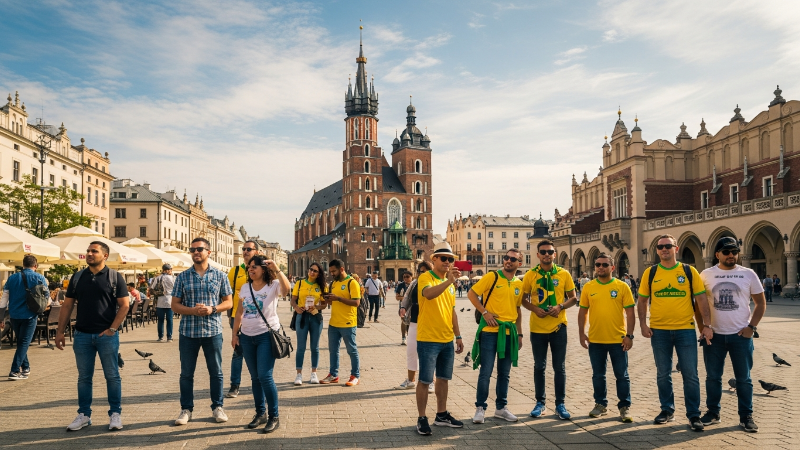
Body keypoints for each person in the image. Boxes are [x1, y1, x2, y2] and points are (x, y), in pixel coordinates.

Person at [638, 234, 712, 431]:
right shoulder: (650, 273)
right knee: (663, 374)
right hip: (659, 330)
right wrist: (643, 325)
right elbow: (643, 300)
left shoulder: (689, 271)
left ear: (676, 249)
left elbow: (701, 299)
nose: (664, 249)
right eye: (661, 247)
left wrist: (707, 325)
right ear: (657, 251)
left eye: (668, 246)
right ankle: (667, 410)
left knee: (690, 374)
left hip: (685, 329)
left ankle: (694, 415)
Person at [55, 242, 129, 431]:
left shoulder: (115, 277)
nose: (89, 254)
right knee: (84, 377)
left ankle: (115, 414)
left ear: (105, 255)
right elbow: (67, 305)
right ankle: (84, 415)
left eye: (94, 251)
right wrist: (60, 331)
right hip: (82, 335)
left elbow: (125, 305)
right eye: (88, 251)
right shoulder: (78, 277)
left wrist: (112, 329)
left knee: (112, 376)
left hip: (107, 336)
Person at [698, 237, 767, 433]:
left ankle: (746, 416)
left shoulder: (748, 274)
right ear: (717, 254)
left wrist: (751, 328)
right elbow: (698, 305)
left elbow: (761, 304)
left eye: (734, 251)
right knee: (713, 377)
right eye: (726, 251)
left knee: (744, 379)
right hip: (715, 336)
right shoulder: (706, 274)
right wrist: (704, 327)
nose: (731, 255)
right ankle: (713, 413)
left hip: (740, 336)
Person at [171, 237, 234, 426]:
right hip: (188, 332)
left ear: (209, 252)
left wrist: (212, 309)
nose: (195, 252)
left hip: (212, 331)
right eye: (192, 250)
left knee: (216, 372)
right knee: (186, 373)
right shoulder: (182, 277)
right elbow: (174, 305)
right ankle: (186, 409)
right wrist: (193, 311)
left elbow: (229, 302)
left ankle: (217, 407)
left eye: (199, 249)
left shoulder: (220, 276)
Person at [231, 256, 290, 433]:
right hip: (247, 337)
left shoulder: (272, 286)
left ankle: (274, 416)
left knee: (265, 376)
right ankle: (260, 413)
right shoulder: (245, 287)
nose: (250, 269)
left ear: (264, 269)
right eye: (249, 267)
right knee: (255, 378)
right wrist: (235, 334)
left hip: (266, 336)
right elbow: (240, 312)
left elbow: (287, 291)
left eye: (254, 266)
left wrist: (278, 269)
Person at [521, 239, 577, 420]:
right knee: (539, 366)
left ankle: (560, 404)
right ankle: (540, 402)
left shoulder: (563, 274)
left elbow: (573, 298)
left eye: (549, 252)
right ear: (537, 255)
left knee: (559, 367)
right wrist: (534, 309)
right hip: (537, 328)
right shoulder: (530, 275)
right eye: (543, 252)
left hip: (558, 327)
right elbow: (522, 299)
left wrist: (560, 307)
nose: (546, 255)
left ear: (554, 254)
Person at [468, 248, 524, 424]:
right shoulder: (492, 277)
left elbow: (517, 310)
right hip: (490, 332)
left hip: (509, 333)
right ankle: (480, 408)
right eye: (506, 258)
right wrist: (484, 312)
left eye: (512, 259)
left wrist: (520, 333)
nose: (508, 261)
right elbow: (471, 294)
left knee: (504, 373)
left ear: (519, 264)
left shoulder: (519, 284)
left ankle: (501, 408)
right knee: (485, 372)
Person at [578, 253, 635, 423]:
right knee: (598, 375)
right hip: (596, 340)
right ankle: (600, 404)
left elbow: (631, 314)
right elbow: (582, 312)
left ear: (612, 267)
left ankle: (624, 407)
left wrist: (629, 336)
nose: (600, 267)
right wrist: (581, 333)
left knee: (622, 375)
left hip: (618, 340)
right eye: (597, 265)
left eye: (604, 264)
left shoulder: (622, 286)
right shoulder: (588, 287)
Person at [414, 242, 464, 436]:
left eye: (450, 259)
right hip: (428, 338)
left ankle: (441, 415)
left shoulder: (450, 284)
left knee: (443, 379)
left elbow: (452, 311)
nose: (447, 262)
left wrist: (458, 335)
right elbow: (428, 294)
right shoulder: (426, 277)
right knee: (425, 380)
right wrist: (448, 282)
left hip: (446, 339)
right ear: (433, 259)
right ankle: (421, 417)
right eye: (443, 258)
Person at [0, 255, 50, 381]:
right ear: (36, 266)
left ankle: (26, 367)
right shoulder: (40, 277)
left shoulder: (12, 278)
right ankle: (14, 370)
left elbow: (4, 299)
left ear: (23, 265)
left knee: (22, 342)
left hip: (14, 315)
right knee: (23, 343)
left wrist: (1, 317)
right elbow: (47, 298)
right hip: (30, 315)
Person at [319, 259, 362, 386]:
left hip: (348, 323)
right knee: (333, 350)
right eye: (330, 271)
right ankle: (333, 374)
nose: (332, 273)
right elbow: (333, 302)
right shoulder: (333, 284)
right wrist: (327, 300)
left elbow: (356, 303)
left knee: (352, 350)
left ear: (342, 269)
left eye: (334, 271)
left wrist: (338, 298)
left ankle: (355, 376)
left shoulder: (352, 283)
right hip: (334, 323)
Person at [225, 240, 259, 398]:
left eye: (249, 249)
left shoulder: (261, 270)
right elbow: (226, 293)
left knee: (258, 351)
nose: (245, 251)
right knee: (238, 352)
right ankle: (234, 385)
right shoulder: (235, 271)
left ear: (256, 252)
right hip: (237, 317)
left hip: (257, 317)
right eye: (243, 249)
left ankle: (258, 383)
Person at [396, 261, 436, 393]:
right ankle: (411, 380)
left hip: (430, 322)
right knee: (411, 351)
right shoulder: (414, 283)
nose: (421, 273)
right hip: (414, 321)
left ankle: (431, 381)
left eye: (425, 271)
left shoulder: (435, 283)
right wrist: (403, 307)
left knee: (429, 353)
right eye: (420, 271)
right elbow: (407, 297)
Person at [290, 262, 326, 385]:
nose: (312, 272)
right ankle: (298, 374)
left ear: (319, 274)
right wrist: (296, 308)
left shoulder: (321, 286)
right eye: (311, 269)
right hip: (302, 316)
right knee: (301, 347)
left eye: (315, 271)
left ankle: (314, 373)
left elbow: (324, 304)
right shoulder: (300, 283)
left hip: (315, 317)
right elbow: (293, 300)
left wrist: (316, 306)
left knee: (315, 347)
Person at [150, 264, 175, 342]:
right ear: (168, 270)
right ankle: (169, 337)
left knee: (160, 320)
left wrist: (158, 293)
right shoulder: (174, 278)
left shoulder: (157, 278)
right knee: (170, 320)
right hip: (170, 301)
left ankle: (160, 337)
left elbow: (151, 289)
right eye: (170, 270)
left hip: (160, 301)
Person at [395, 271, 413, 345]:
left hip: (412, 306)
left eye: (407, 276)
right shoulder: (401, 285)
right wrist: (407, 298)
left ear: (412, 277)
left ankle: (410, 337)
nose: (405, 278)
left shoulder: (414, 284)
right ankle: (403, 338)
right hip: (403, 306)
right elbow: (397, 297)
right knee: (403, 321)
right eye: (404, 277)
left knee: (411, 322)